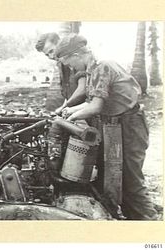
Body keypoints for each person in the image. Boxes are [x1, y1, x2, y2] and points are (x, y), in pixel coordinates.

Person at [55, 34, 158, 220]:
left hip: (129, 125)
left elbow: (95, 107)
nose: (70, 67)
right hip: (119, 124)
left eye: (69, 62)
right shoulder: (96, 67)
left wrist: (68, 116)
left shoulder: (101, 67)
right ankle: (129, 219)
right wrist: (67, 111)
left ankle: (149, 224)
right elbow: (93, 101)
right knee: (114, 178)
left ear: (77, 54)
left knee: (131, 181)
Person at [35, 33, 87, 114]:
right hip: (75, 111)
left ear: (59, 43)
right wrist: (62, 108)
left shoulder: (75, 59)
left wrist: (64, 107)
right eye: (47, 55)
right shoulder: (61, 64)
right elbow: (69, 93)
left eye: (51, 51)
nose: (51, 56)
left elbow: (82, 89)